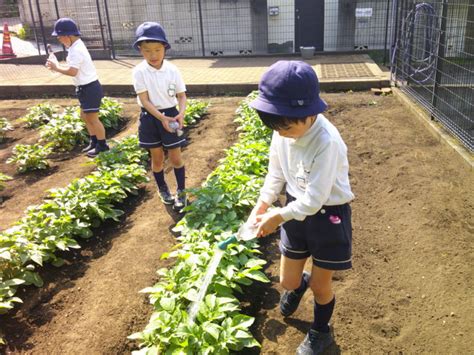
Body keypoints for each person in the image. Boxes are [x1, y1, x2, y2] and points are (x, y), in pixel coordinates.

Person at [248, 61, 354, 355]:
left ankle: (321, 332)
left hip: (328, 214)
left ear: (310, 113)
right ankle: (300, 284)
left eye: (287, 126)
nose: (282, 133)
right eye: (276, 127)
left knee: (322, 287)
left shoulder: (326, 141)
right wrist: (262, 206)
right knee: (287, 281)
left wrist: (277, 216)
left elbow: (316, 199)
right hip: (295, 208)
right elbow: (276, 174)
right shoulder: (281, 129)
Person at [131, 22, 187, 212]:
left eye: (157, 49)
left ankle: (181, 191)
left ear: (165, 48)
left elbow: (181, 95)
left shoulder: (172, 70)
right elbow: (145, 100)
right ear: (140, 50)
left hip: (171, 115)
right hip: (150, 118)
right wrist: (161, 118)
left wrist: (180, 114)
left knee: (176, 157)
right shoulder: (139, 71)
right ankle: (163, 188)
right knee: (156, 159)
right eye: (147, 51)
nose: (153, 55)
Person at [46, 18, 108, 157]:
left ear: (68, 35)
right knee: (84, 116)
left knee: (92, 118)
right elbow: (72, 68)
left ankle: (103, 145)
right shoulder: (74, 47)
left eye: (60, 37)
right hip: (84, 87)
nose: (59, 40)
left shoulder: (76, 50)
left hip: (90, 87)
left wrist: (56, 67)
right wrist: (57, 66)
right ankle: (94, 141)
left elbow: (72, 71)